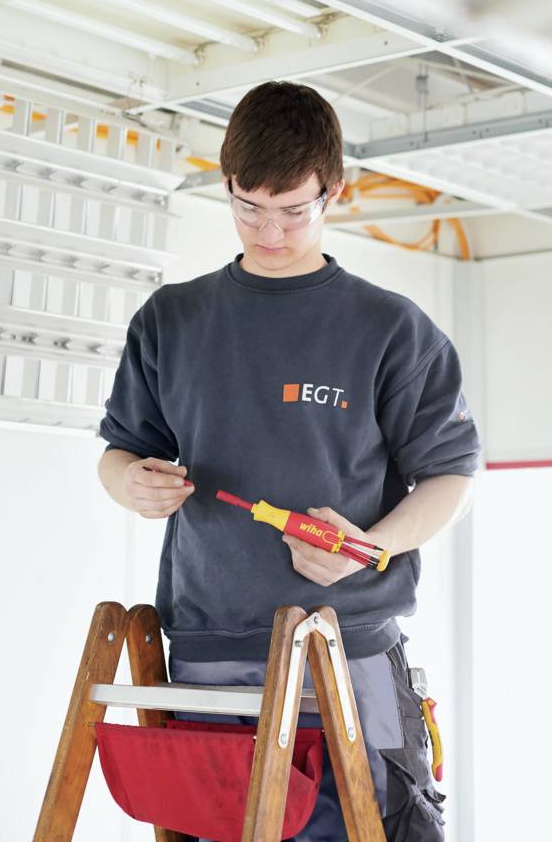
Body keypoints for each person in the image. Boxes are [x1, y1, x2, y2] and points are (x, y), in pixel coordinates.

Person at [98, 80, 481, 841]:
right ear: (226, 183)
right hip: (209, 653)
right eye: (248, 207)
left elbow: (450, 477)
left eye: (293, 210)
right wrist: (130, 482)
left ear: (333, 192)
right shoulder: (172, 319)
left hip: (349, 648)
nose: (269, 230)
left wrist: (372, 546)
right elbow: (122, 452)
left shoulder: (389, 329)